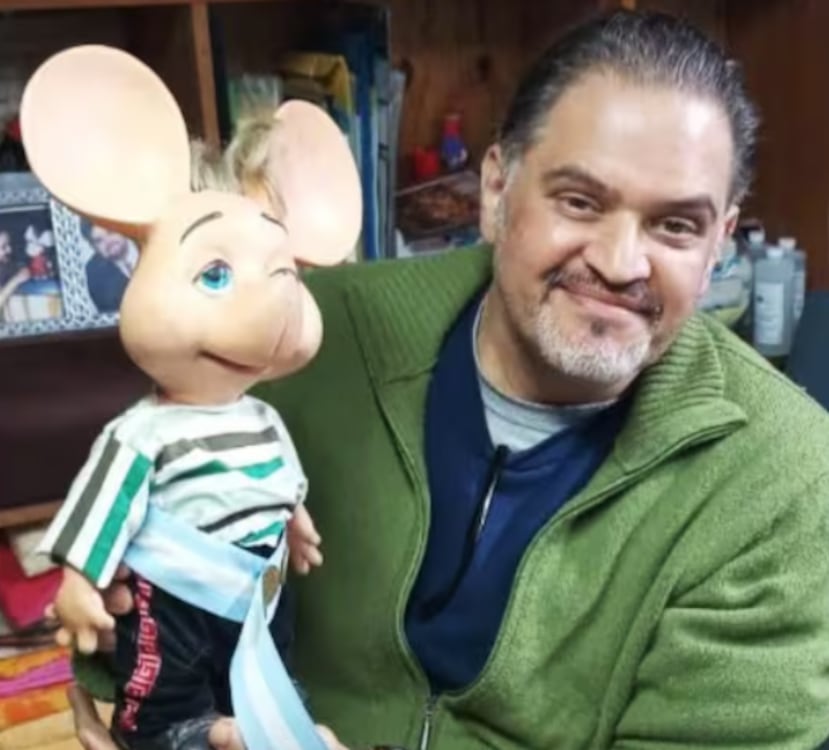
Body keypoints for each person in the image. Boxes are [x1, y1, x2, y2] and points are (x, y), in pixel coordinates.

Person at [68, 9, 829, 750]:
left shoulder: (783, 479)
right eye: (578, 201)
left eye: (676, 226)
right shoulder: (300, 338)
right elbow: (135, 601)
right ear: (494, 191)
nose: (620, 263)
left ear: (721, 241)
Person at [81, 220, 137, 313]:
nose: (108, 242)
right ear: (93, 247)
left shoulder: (149, 243)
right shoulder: (94, 273)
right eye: (99, 241)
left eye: (110, 232)